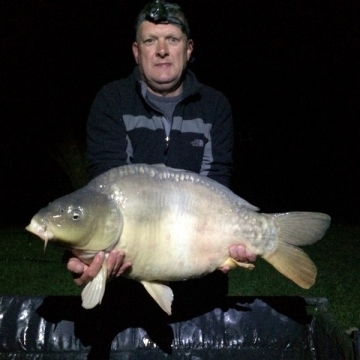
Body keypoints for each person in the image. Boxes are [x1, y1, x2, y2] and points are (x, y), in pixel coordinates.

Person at [67, 0, 256, 296]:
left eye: (172, 39)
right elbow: (107, 191)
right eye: (150, 40)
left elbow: (216, 186)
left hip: (200, 272)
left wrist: (238, 237)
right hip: (127, 280)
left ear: (189, 48)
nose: (162, 50)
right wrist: (88, 254)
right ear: (136, 51)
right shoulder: (112, 101)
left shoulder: (214, 106)